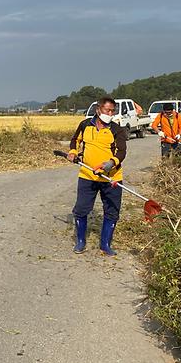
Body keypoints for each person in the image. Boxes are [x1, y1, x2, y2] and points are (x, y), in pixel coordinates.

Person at [65, 96, 127, 256]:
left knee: (112, 211)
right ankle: (80, 242)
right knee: (80, 210)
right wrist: (72, 152)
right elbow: (74, 140)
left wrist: (111, 163)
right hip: (87, 176)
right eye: (108, 110)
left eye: (113, 111)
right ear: (98, 110)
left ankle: (105, 244)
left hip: (111, 178)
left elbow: (121, 152)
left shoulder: (116, 129)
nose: (110, 113)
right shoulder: (85, 125)